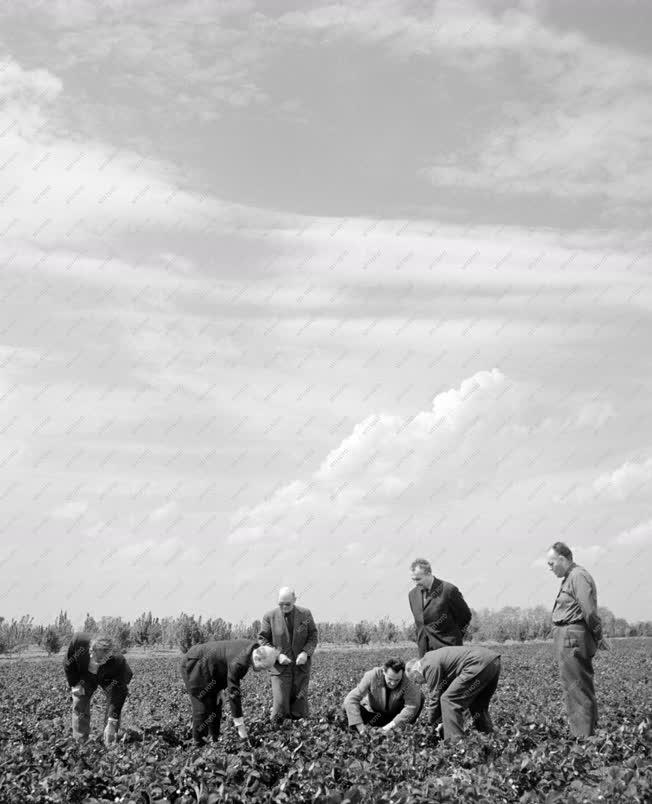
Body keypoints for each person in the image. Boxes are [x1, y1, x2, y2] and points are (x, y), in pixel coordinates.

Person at [547, 541, 606, 738]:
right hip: (569, 638)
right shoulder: (571, 577)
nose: (550, 568)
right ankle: (589, 735)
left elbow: (589, 611)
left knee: (577, 691)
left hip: (572, 638)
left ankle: (583, 740)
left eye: (551, 563)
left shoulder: (578, 576)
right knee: (578, 688)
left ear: (562, 559)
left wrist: (598, 636)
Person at [180, 639, 278, 746]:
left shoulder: (254, 649)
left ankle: (214, 740)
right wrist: (240, 728)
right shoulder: (240, 662)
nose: (261, 670)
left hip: (210, 669)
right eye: (263, 667)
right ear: (257, 657)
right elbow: (234, 694)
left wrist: (219, 689)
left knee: (216, 703)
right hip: (195, 664)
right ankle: (198, 745)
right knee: (202, 707)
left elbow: (224, 664)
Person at [406, 645, 501, 741]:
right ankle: (489, 739)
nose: (418, 684)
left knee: (448, 700)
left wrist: (430, 724)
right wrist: (443, 721)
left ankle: (455, 745)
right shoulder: (432, 659)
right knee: (478, 706)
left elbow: (435, 697)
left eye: (415, 681)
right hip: (492, 661)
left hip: (478, 663)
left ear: (415, 672)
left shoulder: (428, 665)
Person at [258, 586, 318, 722]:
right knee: (280, 705)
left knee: (299, 705)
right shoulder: (269, 616)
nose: (284, 607)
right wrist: (277, 655)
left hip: (301, 668)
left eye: (287, 604)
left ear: (295, 600)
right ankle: (279, 734)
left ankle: (300, 735)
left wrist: (305, 652)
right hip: (279, 669)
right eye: (281, 604)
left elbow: (313, 635)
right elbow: (262, 639)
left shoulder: (305, 614)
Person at [64, 632, 133, 745]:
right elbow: (68, 664)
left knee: (113, 706)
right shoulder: (79, 642)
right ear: (91, 650)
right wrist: (75, 684)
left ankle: (109, 739)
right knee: (80, 701)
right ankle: (81, 741)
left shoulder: (117, 662)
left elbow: (119, 693)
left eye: (106, 658)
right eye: (100, 658)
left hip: (107, 677)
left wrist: (112, 721)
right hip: (85, 675)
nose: (103, 660)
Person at [408, 558, 472, 657]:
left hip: (449, 651)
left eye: (418, 579)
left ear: (429, 573)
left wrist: (454, 637)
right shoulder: (412, 595)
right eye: (413, 579)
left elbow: (465, 616)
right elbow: (420, 624)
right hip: (425, 654)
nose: (416, 583)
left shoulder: (448, 590)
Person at [343, 657, 424, 734]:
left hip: (397, 720)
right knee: (346, 707)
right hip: (376, 716)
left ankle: (401, 730)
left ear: (402, 674)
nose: (393, 683)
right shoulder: (372, 676)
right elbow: (351, 699)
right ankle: (359, 733)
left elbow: (411, 707)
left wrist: (386, 729)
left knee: (420, 696)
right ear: (384, 672)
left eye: (397, 680)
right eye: (390, 679)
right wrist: (361, 729)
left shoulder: (408, 680)